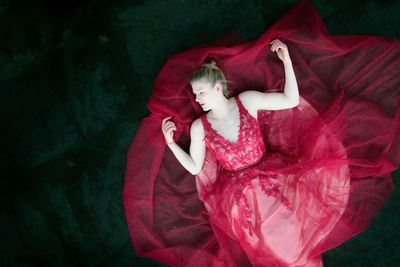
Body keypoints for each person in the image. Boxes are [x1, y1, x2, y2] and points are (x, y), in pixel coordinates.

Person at [124, 1, 400, 266]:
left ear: (218, 88)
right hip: (238, 196)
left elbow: (290, 101)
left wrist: (286, 60)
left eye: (202, 92)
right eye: (196, 94)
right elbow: (196, 168)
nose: (198, 99)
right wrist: (171, 144)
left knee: (295, 241)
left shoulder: (247, 101)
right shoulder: (200, 127)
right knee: (274, 251)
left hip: (274, 175)